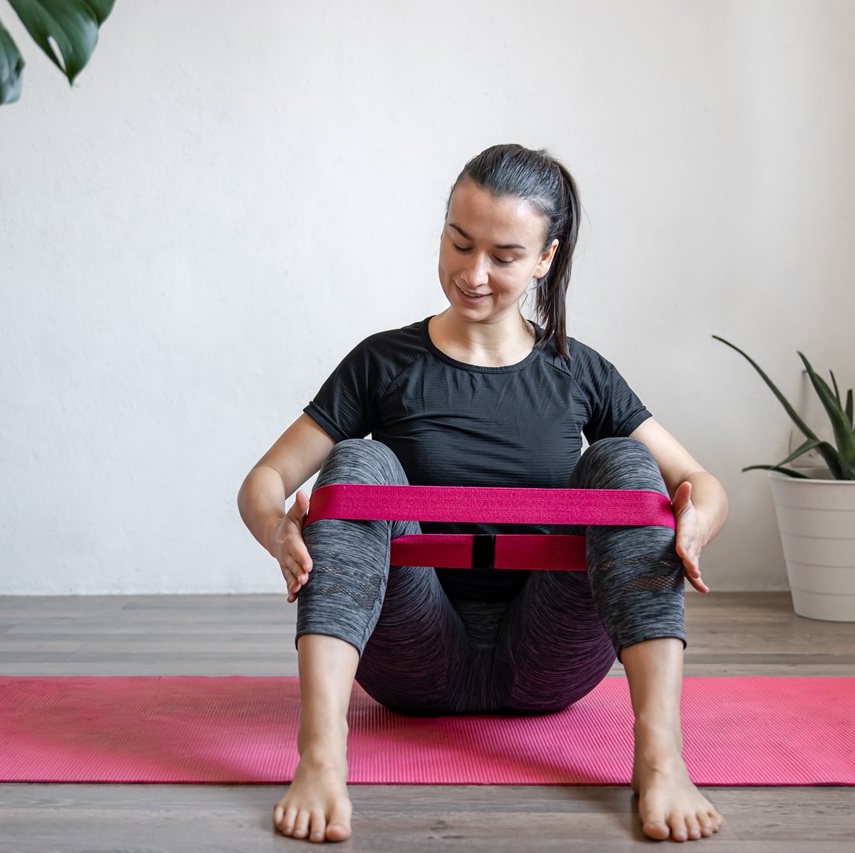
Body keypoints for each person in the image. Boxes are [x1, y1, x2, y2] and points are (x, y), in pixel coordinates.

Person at [238, 144, 728, 844]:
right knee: (356, 461)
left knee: (624, 460)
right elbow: (264, 480)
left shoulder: (577, 371)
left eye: (503, 255)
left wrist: (693, 524)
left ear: (543, 259)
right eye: (458, 242)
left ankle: (660, 758)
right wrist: (276, 529)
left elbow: (700, 482)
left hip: (546, 657)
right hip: (412, 650)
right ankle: (319, 758)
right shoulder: (382, 361)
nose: (472, 274)